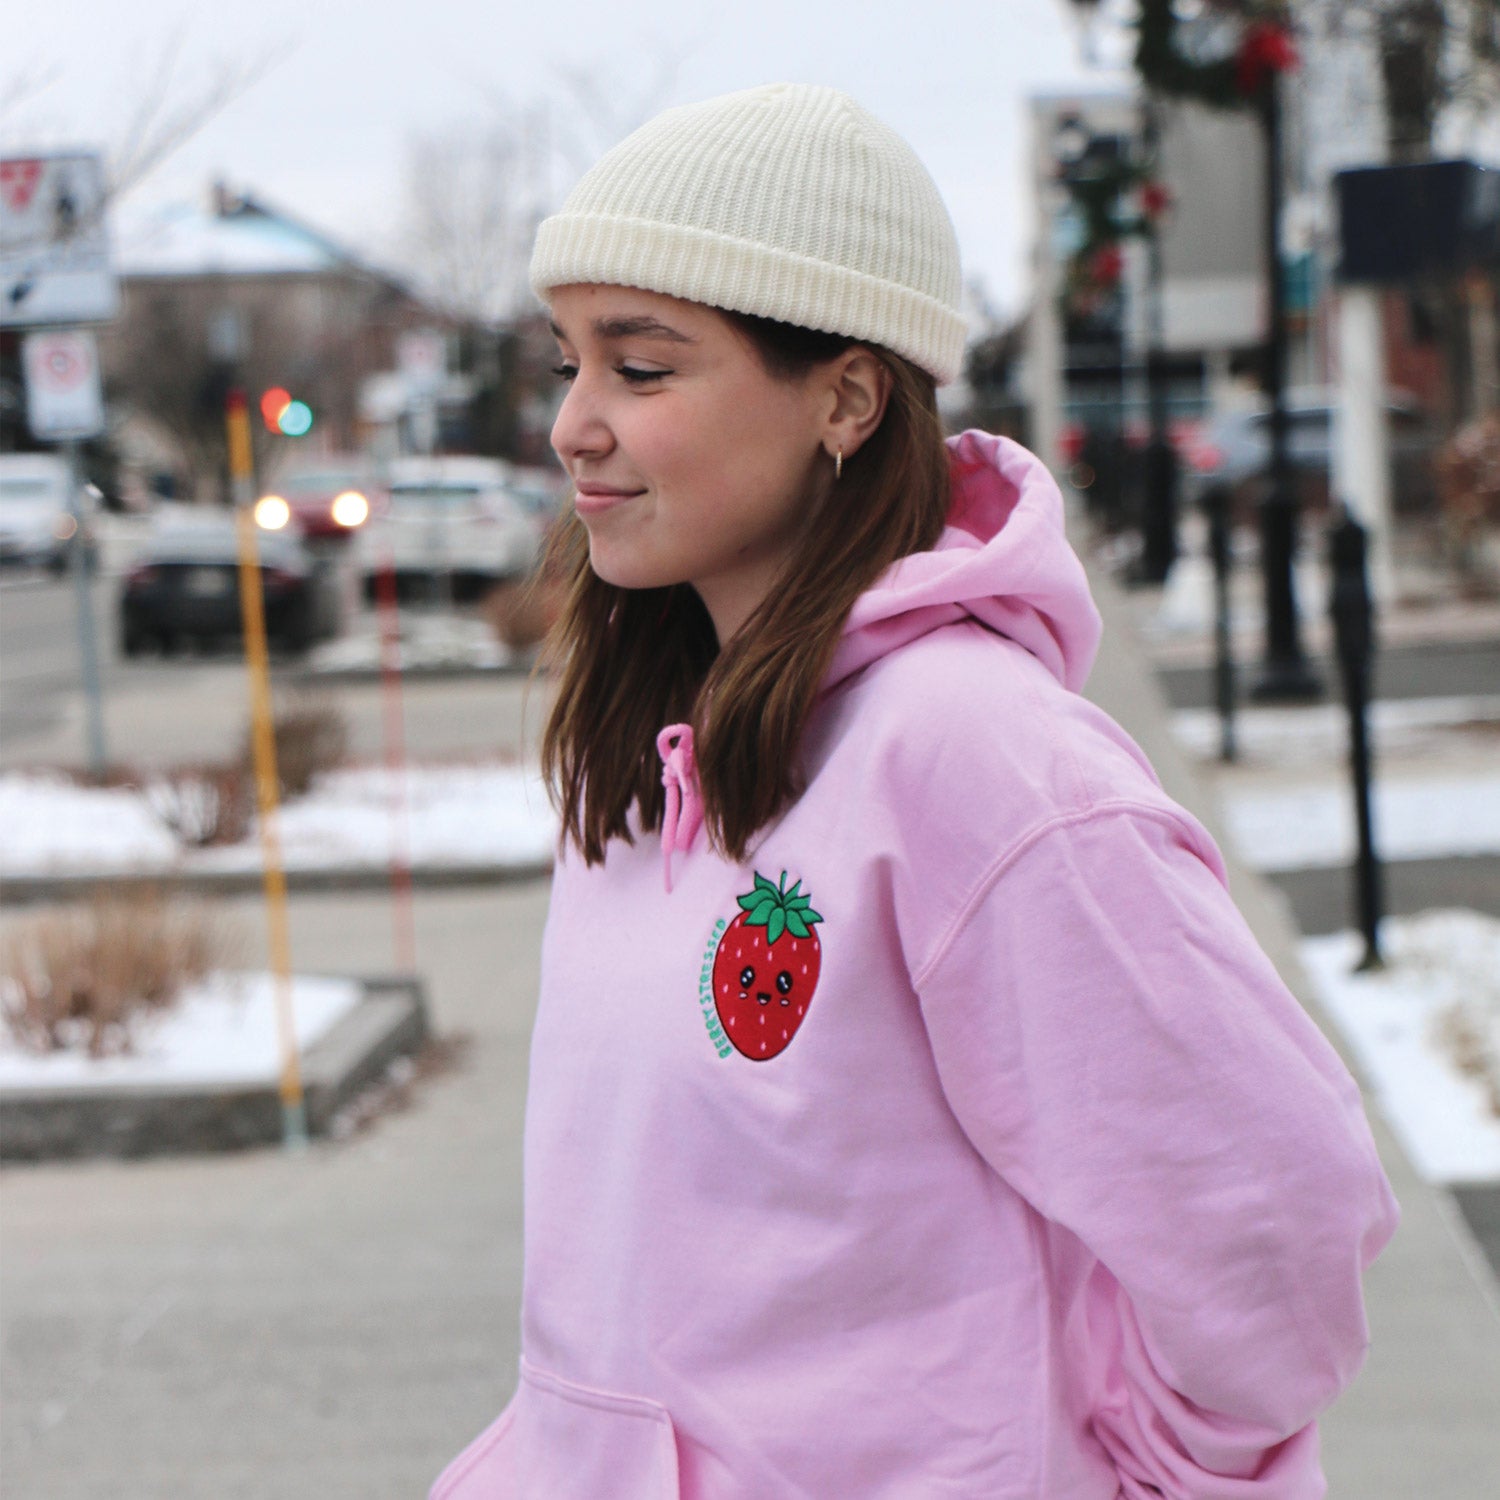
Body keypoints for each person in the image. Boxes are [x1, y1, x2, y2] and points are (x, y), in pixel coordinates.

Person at [431, 83, 1398, 1499]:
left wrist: (1139, 1468)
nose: (576, 424)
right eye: (568, 364)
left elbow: (1271, 1206)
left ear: (845, 394)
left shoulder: (975, 758)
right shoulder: (654, 756)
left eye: (641, 370)